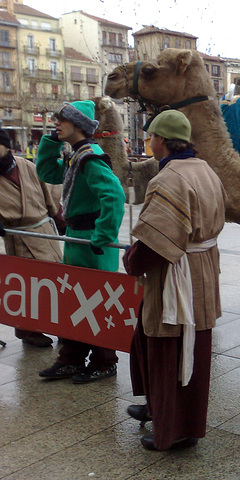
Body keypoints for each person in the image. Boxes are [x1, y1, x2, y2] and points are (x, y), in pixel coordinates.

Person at [123, 110, 226, 451]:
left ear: (162, 141)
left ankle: (174, 430)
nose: (149, 142)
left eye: (151, 136)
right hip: (202, 271)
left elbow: (155, 242)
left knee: (170, 350)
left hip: (176, 275)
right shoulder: (206, 170)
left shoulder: (168, 179)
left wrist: (132, 261)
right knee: (185, 347)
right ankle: (162, 411)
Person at [36, 100, 125, 384]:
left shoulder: (90, 157)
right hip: (77, 238)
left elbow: (114, 196)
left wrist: (102, 236)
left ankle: (104, 360)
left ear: (78, 124)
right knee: (74, 300)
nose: (56, 124)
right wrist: (50, 143)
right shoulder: (76, 156)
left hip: (91, 242)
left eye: (62, 120)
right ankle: (72, 358)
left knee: (98, 301)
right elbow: (46, 173)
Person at [0, 128, 63, 347]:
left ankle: (63, 326)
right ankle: (27, 330)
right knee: (26, 285)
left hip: (43, 231)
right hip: (18, 236)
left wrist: (58, 216)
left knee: (55, 279)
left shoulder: (27, 166)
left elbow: (49, 192)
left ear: (6, 145)